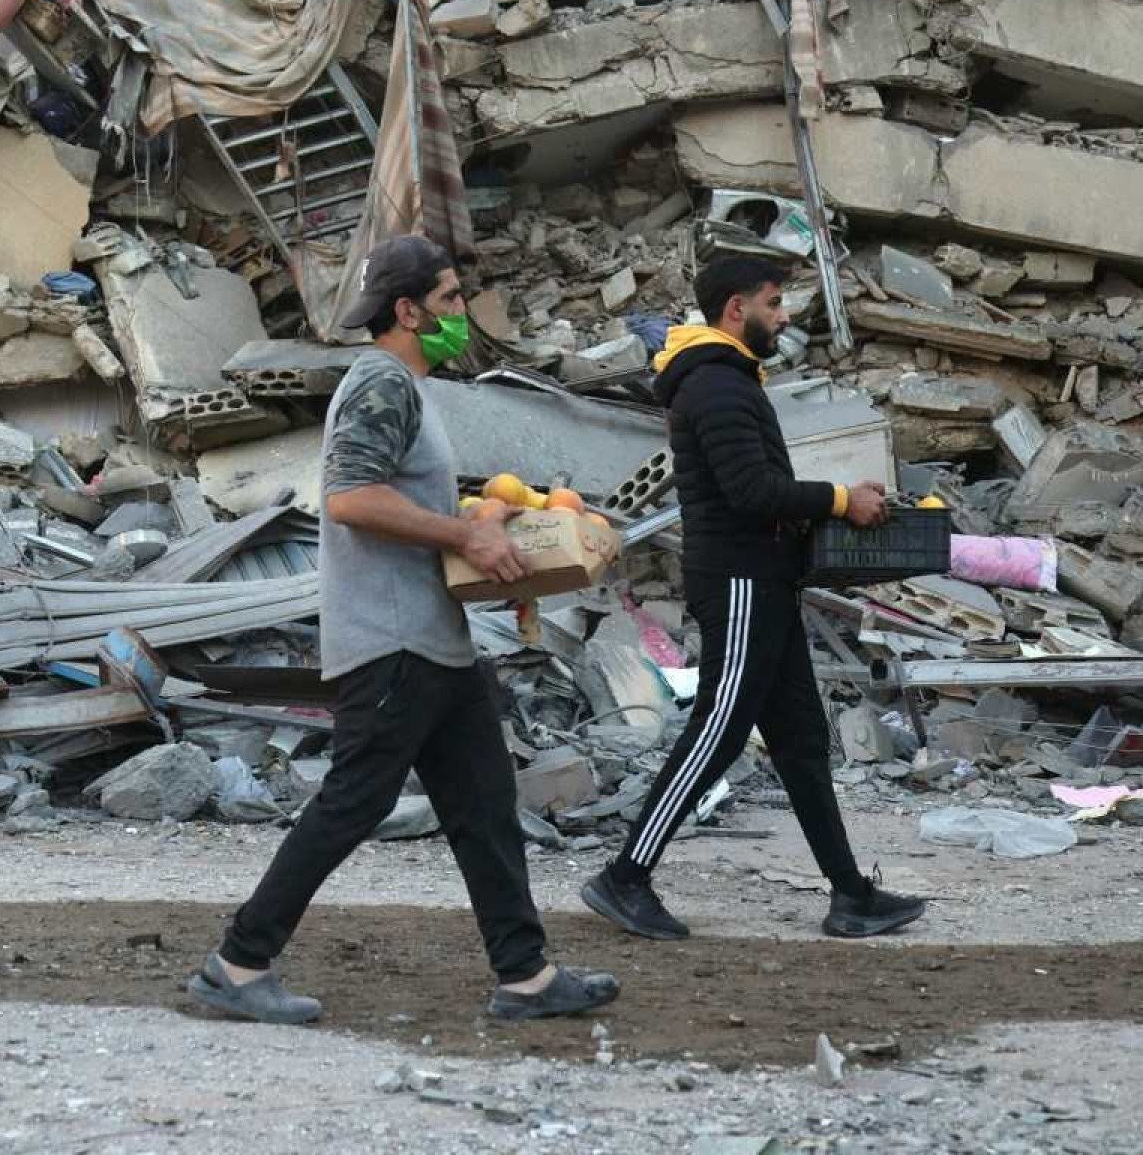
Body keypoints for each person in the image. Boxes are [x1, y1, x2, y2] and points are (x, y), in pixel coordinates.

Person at [185, 235, 620, 1025]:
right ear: (409, 310)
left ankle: (524, 976)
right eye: (451, 300)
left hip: (434, 643)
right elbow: (349, 498)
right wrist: (463, 536)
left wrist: (488, 527)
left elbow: (401, 506)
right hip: (391, 643)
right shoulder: (381, 381)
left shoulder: (410, 392)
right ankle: (237, 962)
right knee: (353, 801)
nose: (462, 314)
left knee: (485, 805)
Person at [580, 255, 926, 942]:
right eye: (774, 303)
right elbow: (750, 492)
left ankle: (851, 894)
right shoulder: (715, 384)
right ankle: (625, 877)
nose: (785, 314)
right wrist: (838, 501)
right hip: (740, 580)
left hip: (764, 580)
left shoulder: (728, 378)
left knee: (800, 739)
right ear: (736, 309)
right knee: (720, 725)